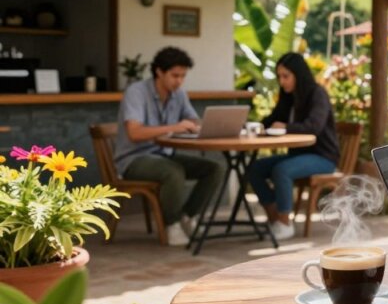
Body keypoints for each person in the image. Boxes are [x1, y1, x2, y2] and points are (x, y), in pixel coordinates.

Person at [115, 46, 226, 247]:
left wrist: (201, 125)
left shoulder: (179, 94)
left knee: (214, 169)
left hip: (164, 154)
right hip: (133, 159)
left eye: (183, 76)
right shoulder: (137, 92)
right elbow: (134, 132)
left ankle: (187, 216)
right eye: (175, 75)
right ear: (159, 72)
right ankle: (171, 224)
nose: (180, 81)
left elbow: (193, 119)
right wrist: (175, 127)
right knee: (173, 171)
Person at [246, 52, 339, 241]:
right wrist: (256, 125)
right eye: (279, 76)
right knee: (254, 169)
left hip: (323, 157)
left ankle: (284, 223)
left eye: (286, 76)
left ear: (298, 74)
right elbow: (272, 120)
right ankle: (277, 220)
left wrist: (286, 127)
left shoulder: (317, 94)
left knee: (282, 170)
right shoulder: (288, 97)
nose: (282, 81)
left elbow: (314, 126)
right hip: (298, 155)